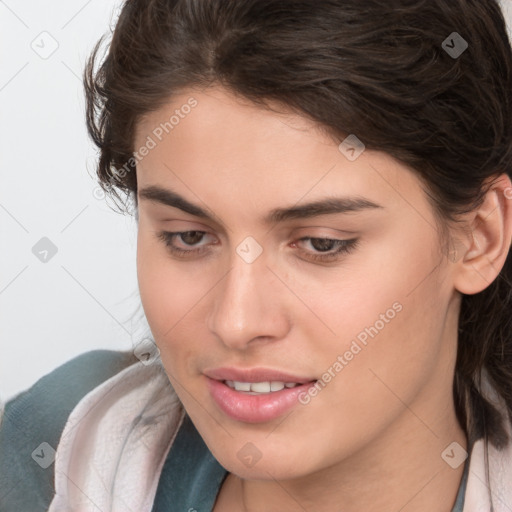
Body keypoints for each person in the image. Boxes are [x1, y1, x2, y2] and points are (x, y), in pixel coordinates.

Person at [2, 0, 512, 510]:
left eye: (321, 244)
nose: (236, 322)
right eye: (188, 236)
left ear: (480, 238)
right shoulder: (51, 443)